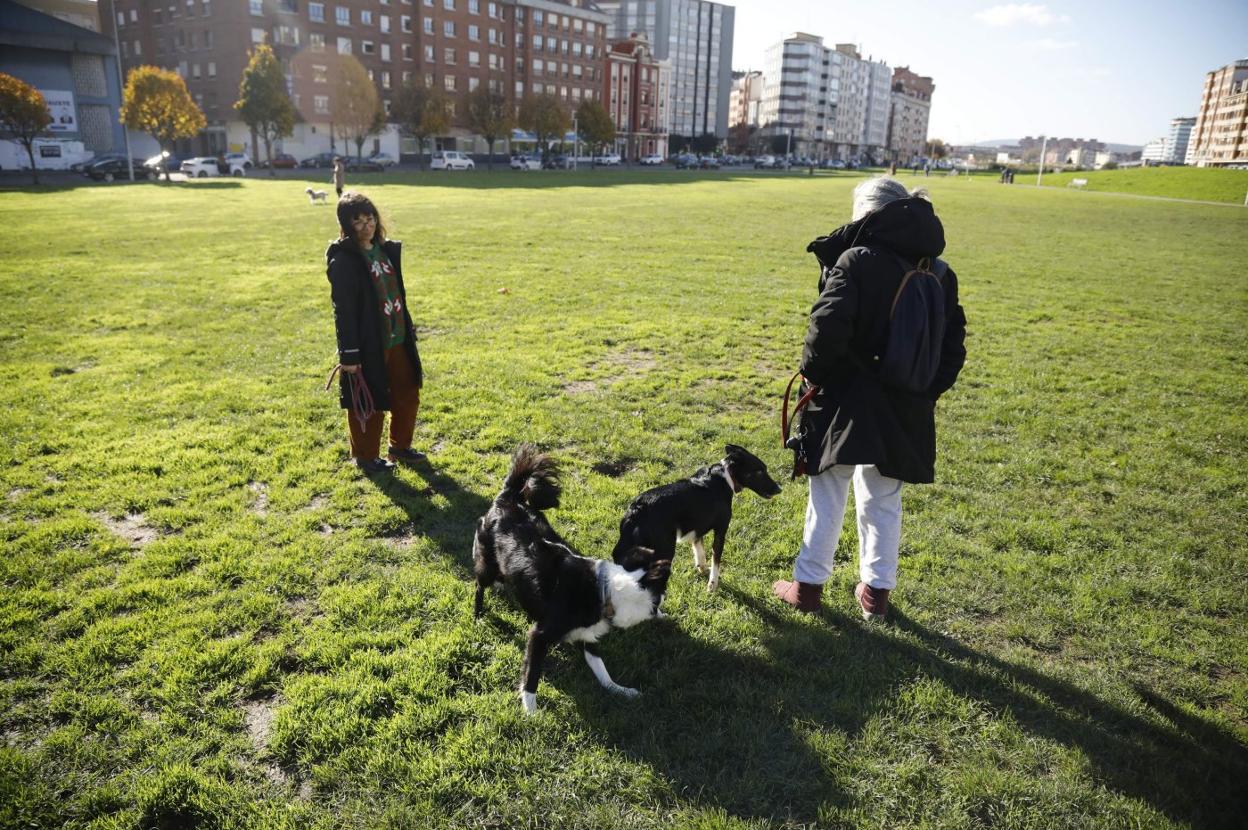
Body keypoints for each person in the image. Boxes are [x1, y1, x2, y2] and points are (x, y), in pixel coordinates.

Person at [773, 177, 967, 619]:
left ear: (868, 214)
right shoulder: (939, 270)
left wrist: (815, 380)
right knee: (883, 496)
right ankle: (875, 594)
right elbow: (952, 347)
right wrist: (923, 391)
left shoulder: (855, 259)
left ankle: (808, 588)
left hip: (846, 399)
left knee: (827, 490)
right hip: (906, 405)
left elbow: (824, 333)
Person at [326, 192, 426, 474]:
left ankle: (400, 447)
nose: (366, 225)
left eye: (369, 218)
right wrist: (349, 354)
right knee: (367, 401)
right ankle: (367, 456)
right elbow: (343, 311)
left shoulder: (385, 251)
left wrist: (406, 325)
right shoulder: (344, 261)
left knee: (407, 392)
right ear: (346, 225)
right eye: (357, 221)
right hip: (368, 344)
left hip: (398, 338)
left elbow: (396, 294)